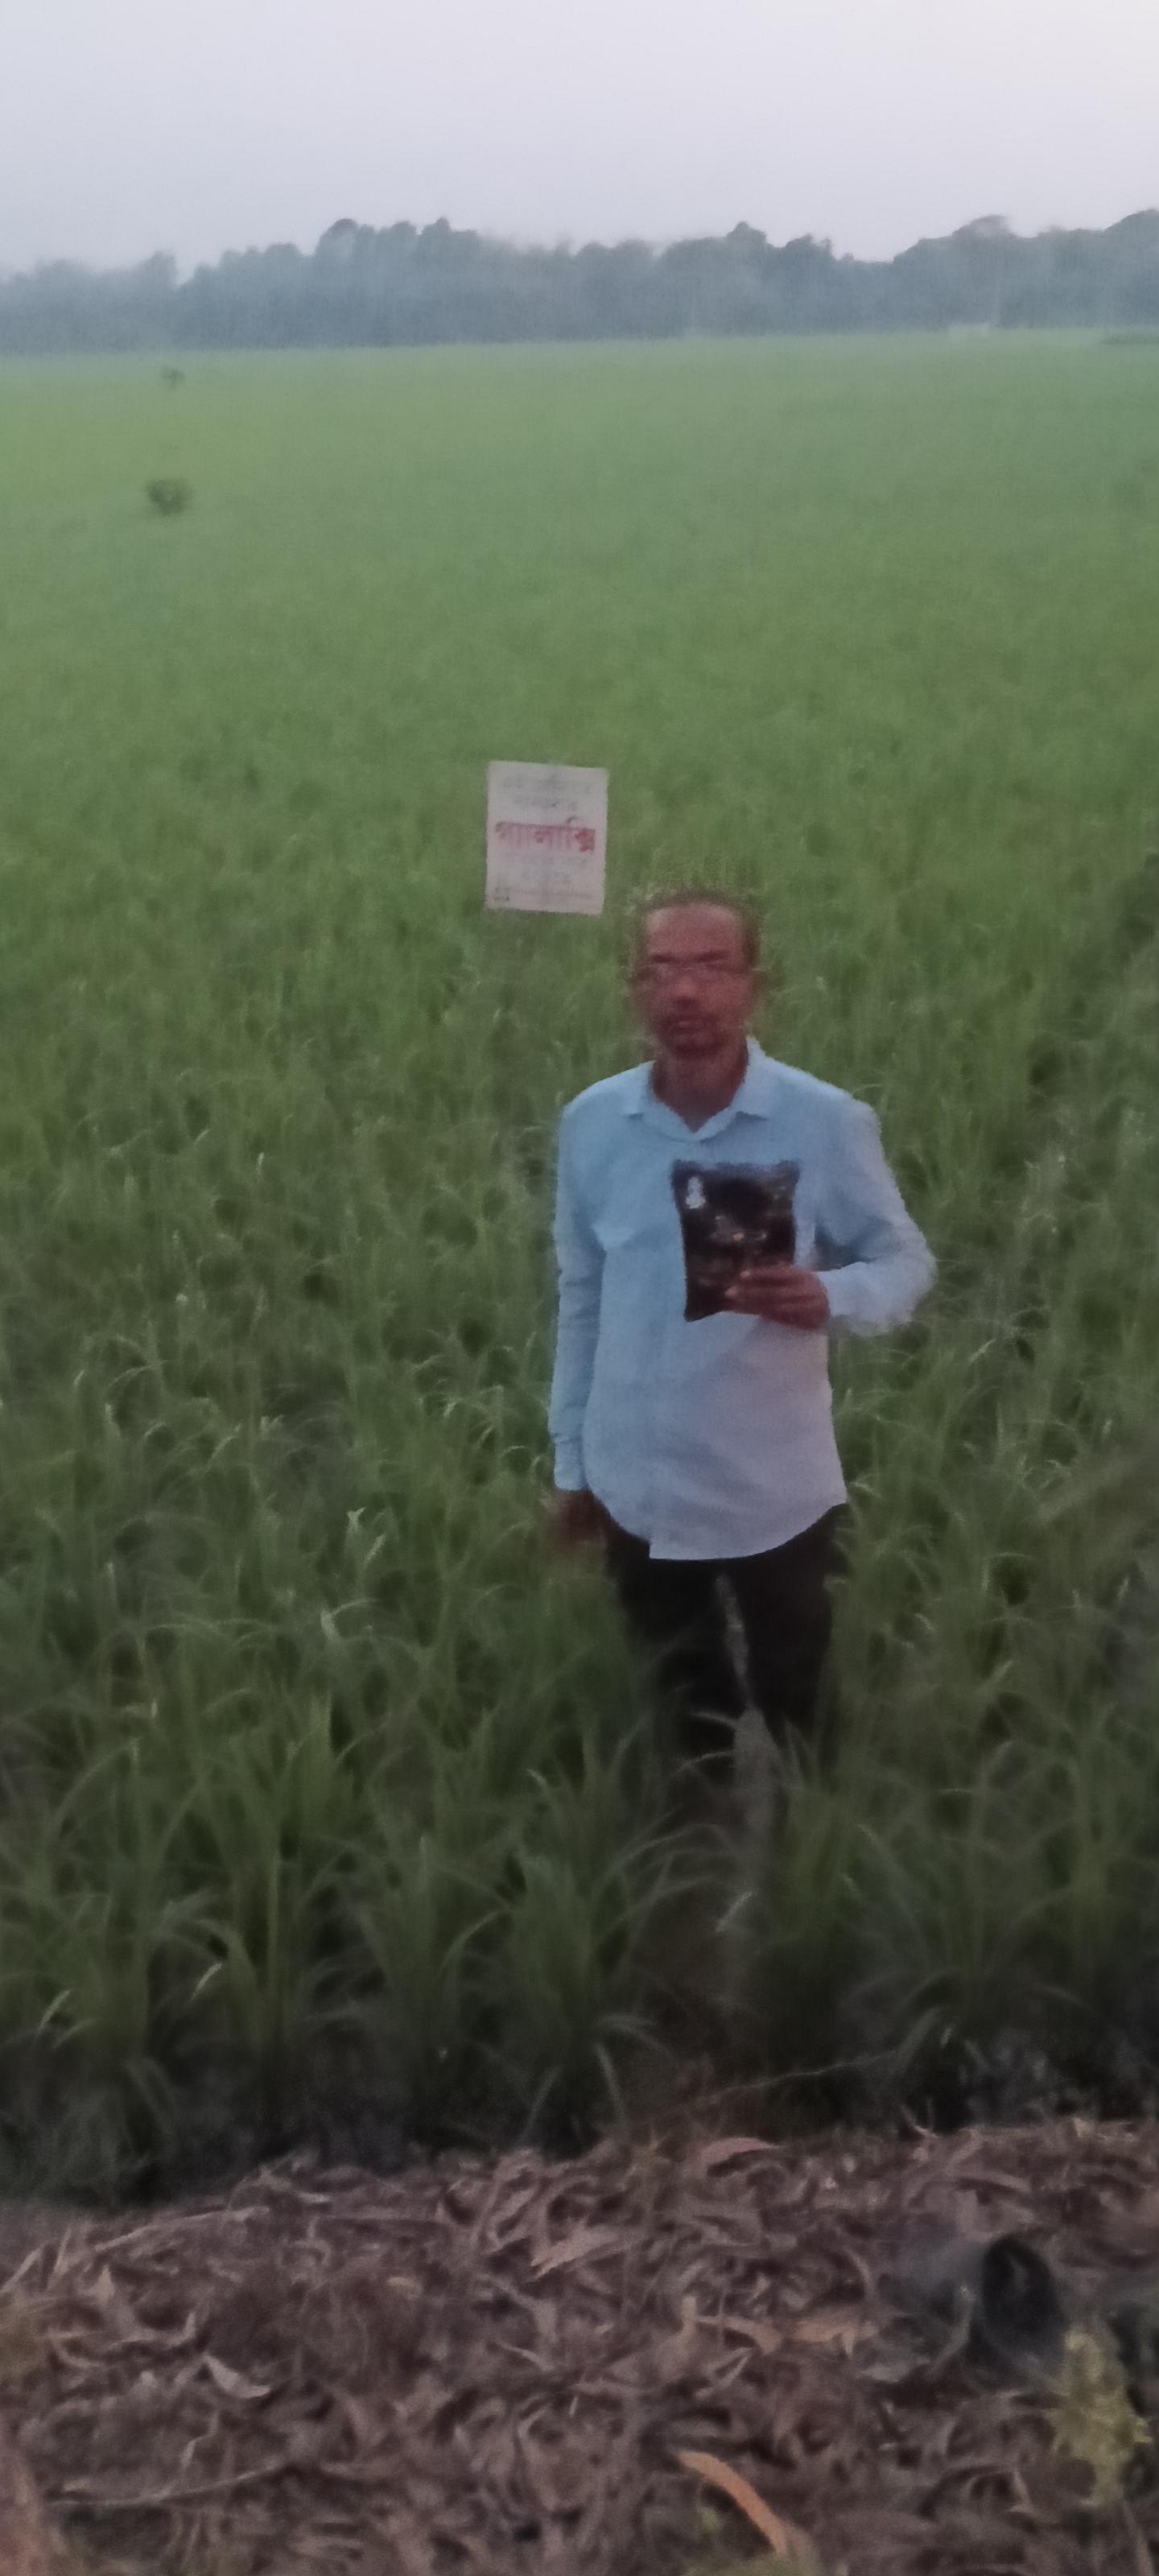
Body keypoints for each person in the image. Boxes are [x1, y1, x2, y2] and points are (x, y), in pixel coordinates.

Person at [547, 891, 934, 1782]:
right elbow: (582, 1295)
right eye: (663, 968)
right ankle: (705, 1815)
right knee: (681, 1685)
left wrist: (827, 1292)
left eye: (711, 967)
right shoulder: (593, 1124)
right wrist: (574, 1464)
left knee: (797, 1689)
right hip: (636, 1481)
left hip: (769, 1488)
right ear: (635, 989)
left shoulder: (822, 1122)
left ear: (756, 987)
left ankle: (808, 1834)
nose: (686, 990)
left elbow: (906, 1261)